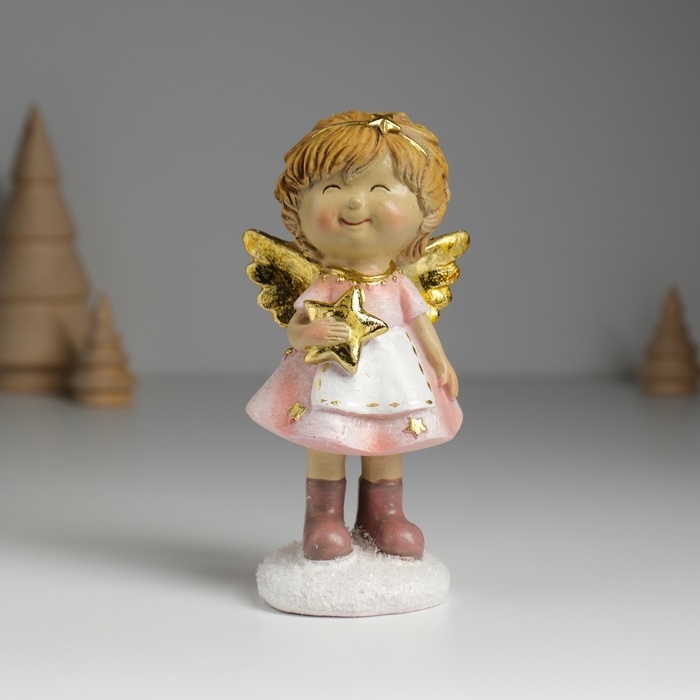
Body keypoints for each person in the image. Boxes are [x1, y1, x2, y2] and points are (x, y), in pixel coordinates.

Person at [246, 111, 463, 561]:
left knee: (388, 440)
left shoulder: (397, 283)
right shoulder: (326, 285)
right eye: (332, 189)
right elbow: (296, 327)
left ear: (423, 211)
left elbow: (420, 321)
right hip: (329, 377)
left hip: (393, 378)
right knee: (327, 440)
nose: (355, 203)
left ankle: (384, 516)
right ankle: (322, 517)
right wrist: (310, 332)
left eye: (379, 189)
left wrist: (440, 361)